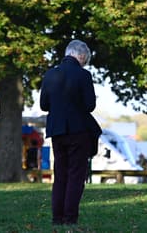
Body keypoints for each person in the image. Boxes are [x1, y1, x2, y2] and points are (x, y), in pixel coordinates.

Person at [40, 39, 100, 226]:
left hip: (57, 131)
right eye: (85, 60)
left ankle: (57, 217)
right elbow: (90, 105)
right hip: (78, 130)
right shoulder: (83, 75)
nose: (85, 63)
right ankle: (70, 218)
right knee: (76, 174)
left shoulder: (50, 75)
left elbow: (44, 105)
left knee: (61, 174)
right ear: (81, 56)